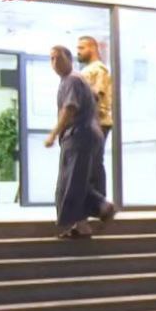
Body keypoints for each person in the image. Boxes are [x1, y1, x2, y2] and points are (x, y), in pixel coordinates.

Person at [45, 45, 114, 239]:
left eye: (58, 58)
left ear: (69, 59)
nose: (54, 63)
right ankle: (82, 224)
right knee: (77, 179)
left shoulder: (72, 80)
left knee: (72, 181)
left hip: (79, 135)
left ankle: (101, 206)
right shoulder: (78, 79)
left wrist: (54, 133)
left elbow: (70, 108)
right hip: (88, 134)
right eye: (51, 59)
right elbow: (93, 98)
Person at [77, 36, 112, 202]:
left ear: (92, 47)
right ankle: (92, 202)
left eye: (81, 48)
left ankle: (99, 202)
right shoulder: (87, 70)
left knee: (94, 162)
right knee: (88, 162)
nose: (78, 52)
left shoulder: (99, 70)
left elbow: (96, 95)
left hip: (97, 121)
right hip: (88, 121)